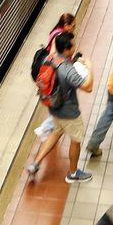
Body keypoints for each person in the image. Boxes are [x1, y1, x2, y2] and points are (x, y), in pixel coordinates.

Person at [25, 32, 95, 183]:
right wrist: (89, 67)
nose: (75, 46)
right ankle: (73, 173)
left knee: (56, 133)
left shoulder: (49, 58)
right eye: (73, 45)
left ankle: (35, 164)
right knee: (76, 140)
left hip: (53, 107)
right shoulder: (67, 70)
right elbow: (88, 87)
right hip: (69, 113)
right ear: (67, 49)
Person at [33, 13, 78, 142]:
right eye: (72, 26)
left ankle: (50, 128)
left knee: (57, 102)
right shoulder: (59, 36)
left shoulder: (56, 32)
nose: (74, 28)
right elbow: (53, 55)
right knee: (62, 103)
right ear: (65, 25)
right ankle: (44, 128)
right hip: (56, 74)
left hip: (53, 74)